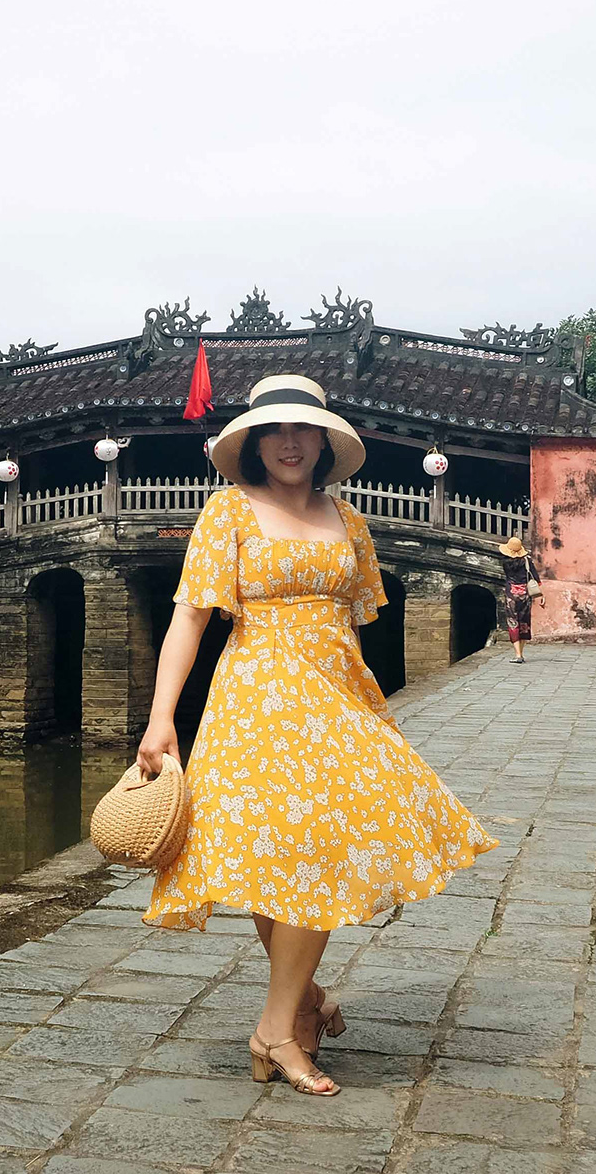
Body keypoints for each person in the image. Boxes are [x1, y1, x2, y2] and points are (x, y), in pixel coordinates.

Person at [135, 374, 498, 1098]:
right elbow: (191, 615)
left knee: (315, 848)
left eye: (303, 430)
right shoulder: (228, 511)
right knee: (282, 852)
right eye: (274, 431)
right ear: (254, 443)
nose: (290, 442)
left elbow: (359, 621)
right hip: (256, 695)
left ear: (326, 442)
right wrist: (160, 716)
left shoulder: (347, 518)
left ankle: (294, 1010)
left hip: (335, 692)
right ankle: (284, 1022)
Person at [496, 535, 537, 663]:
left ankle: (517, 654)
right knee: (524, 623)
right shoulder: (527, 561)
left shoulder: (505, 562)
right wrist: (541, 596)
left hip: (511, 595)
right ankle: (522, 653)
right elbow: (535, 577)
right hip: (525, 594)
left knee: (513, 622)